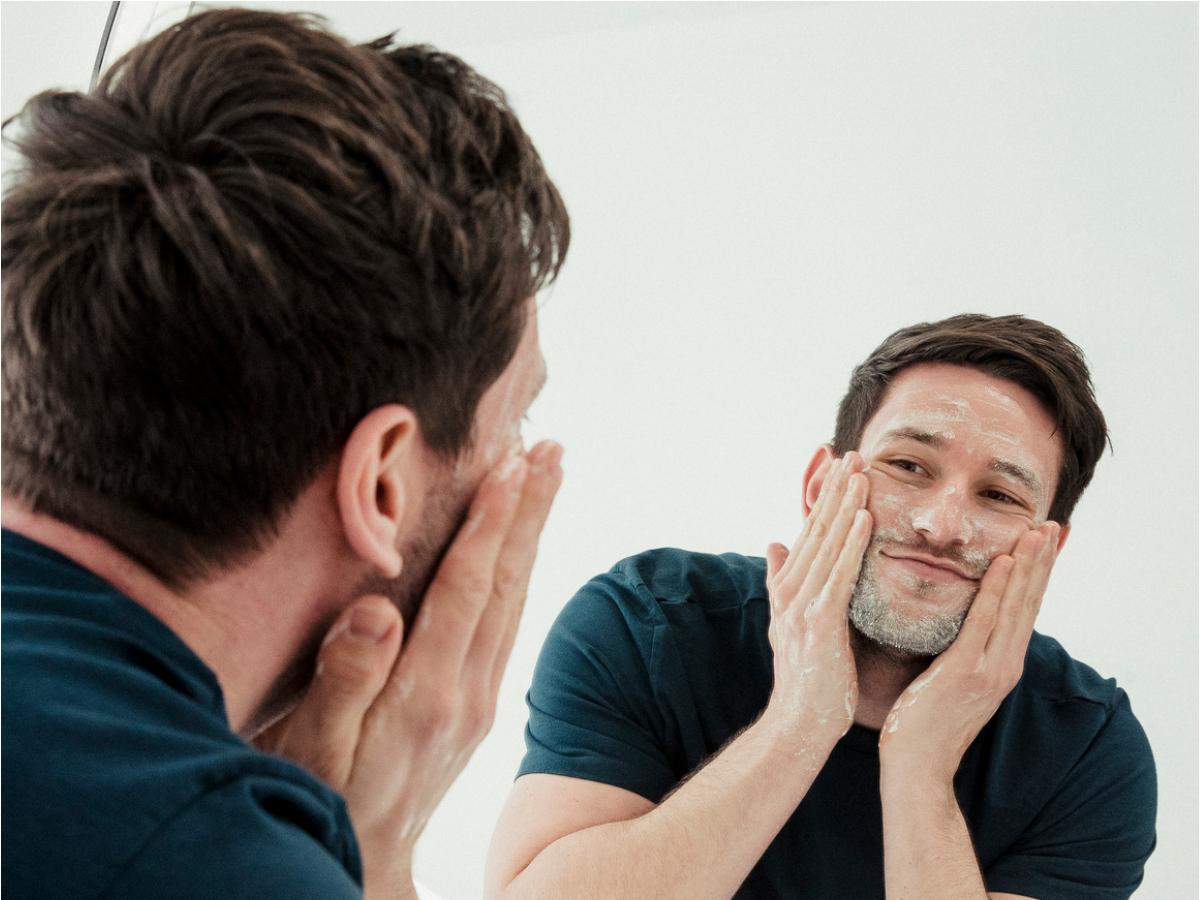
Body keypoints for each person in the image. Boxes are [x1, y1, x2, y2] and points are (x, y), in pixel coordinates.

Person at [2, 9, 569, 900]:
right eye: (514, 424)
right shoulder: (209, 862)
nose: (516, 469)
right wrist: (370, 851)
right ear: (381, 483)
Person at [487, 314, 1156, 900]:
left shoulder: (1088, 750)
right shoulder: (648, 622)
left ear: (1050, 547)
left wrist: (919, 765)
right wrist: (801, 720)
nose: (941, 523)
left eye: (1000, 496)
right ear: (820, 484)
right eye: (908, 466)